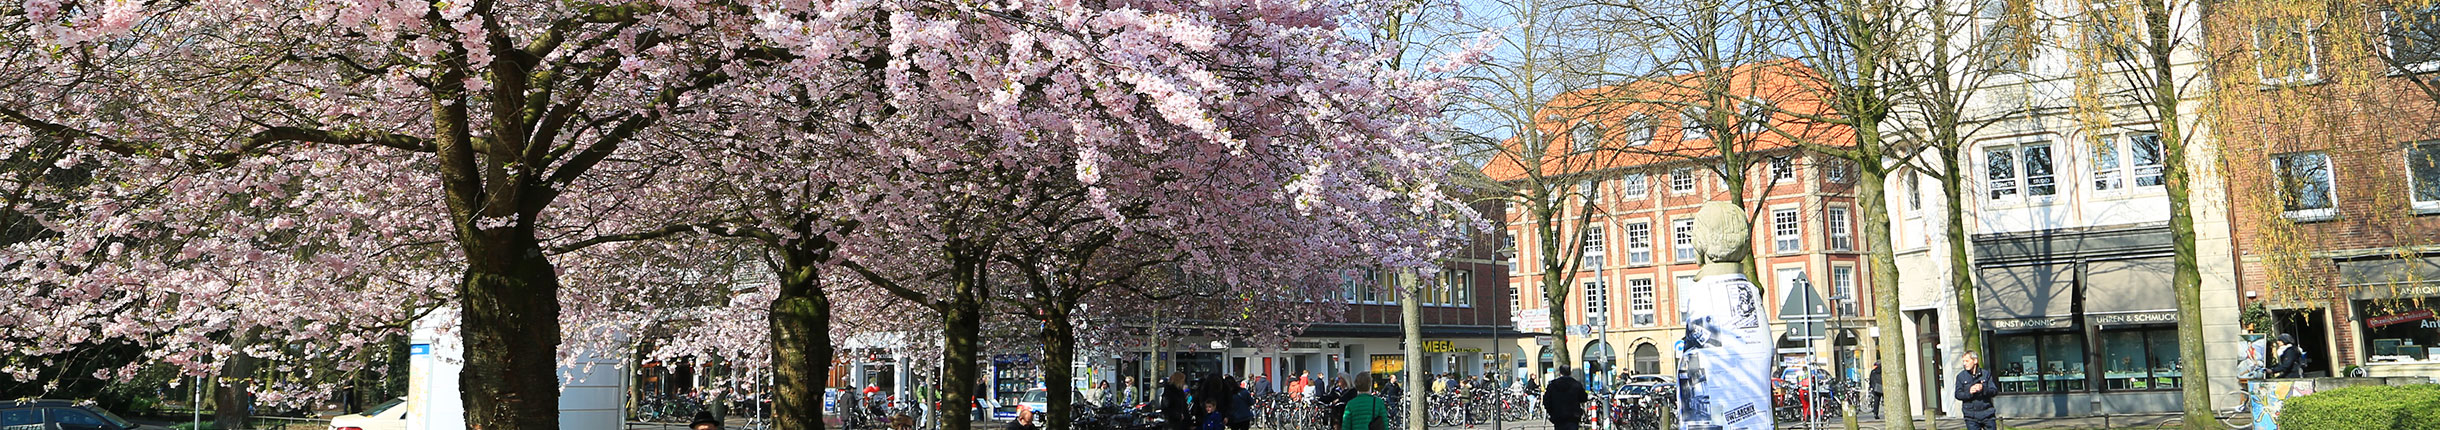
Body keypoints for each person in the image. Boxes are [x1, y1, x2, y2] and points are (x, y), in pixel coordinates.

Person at [1954, 351, 1999, 430]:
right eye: (1963, 361)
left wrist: (1983, 389)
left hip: (1987, 414)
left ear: (1975, 361)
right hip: (1971, 416)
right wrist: (1969, 392)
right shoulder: (1961, 376)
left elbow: (1994, 391)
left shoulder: (1986, 374)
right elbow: (1958, 394)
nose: (1964, 364)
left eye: (1967, 361)